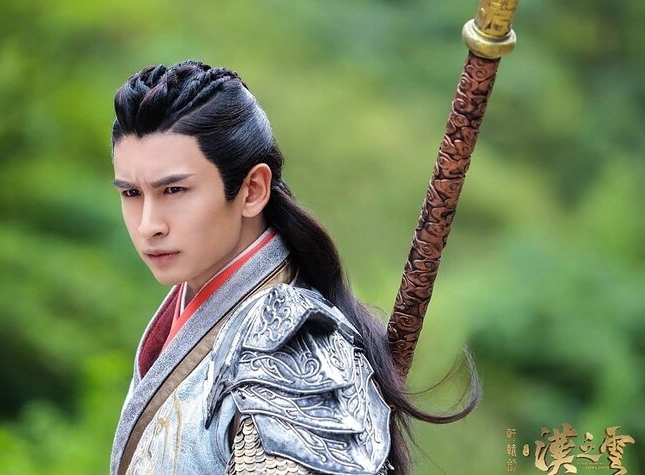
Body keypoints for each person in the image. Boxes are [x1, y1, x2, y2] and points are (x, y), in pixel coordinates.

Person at [108, 60, 480, 475]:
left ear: (252, 190)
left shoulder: (285, 343)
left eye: (174, 190)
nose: (149, 225)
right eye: (131, 194)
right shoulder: (198, 310)